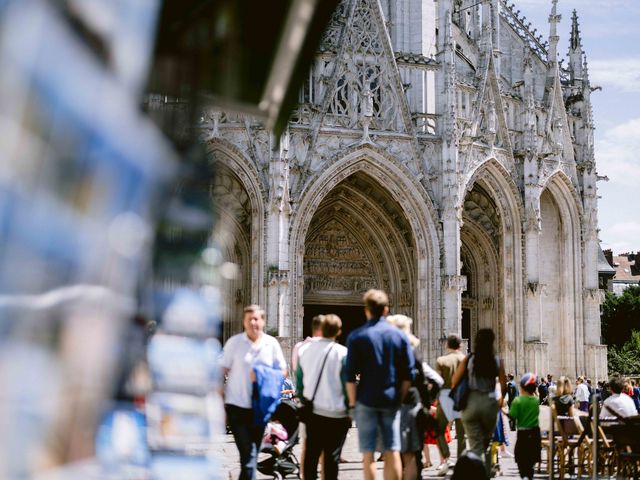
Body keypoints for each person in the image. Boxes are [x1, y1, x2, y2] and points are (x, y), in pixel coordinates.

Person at [345, 289, 415, 480]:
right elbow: (409, 374)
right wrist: (399, 398)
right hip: (391, 399)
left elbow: (349, 376)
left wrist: (352, 404)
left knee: (368, 454)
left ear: (366, 310)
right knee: (392, 450)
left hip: (366, 400)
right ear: (386, 310)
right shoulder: (399, 336)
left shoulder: (357, 336)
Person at [221, 305, 287, 480]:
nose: (252, 322)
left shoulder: (271, 344)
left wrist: (262, 375)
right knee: (249, 457)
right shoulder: (234, 343)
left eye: (256, 318)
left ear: (263, 321)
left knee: (249, 459)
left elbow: (283, 371)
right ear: (243, 321)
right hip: (237, 407)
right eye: (249, 319)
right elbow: (221, 371)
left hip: (260, 409)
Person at [296, 314, 350, 480]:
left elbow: (299, 382)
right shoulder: (343, 353)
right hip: (336, 414)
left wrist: (305, 401)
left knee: (311, 455)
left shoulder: (304, 350)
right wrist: (349, 407)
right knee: (331, 459)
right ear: (338, 332)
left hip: (313, 412)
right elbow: (347, 384)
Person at [452, 328, 506, 476]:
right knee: (486, 445)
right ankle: (486, 474)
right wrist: (500, 402)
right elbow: (503, 385)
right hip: (489, 404)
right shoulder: (496, 360)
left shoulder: (469, 358)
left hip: (471, 403)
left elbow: (454, 381)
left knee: (476, 446)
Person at [387, 314, 434, 480]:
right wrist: (427, 405)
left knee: (393, 454)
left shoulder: (386, 352)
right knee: (412, 454)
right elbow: (431, 380)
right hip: (411, 405)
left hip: (391, 407)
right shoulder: (413, 352)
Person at [291, 314, 325, 478]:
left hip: (307, 400)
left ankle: (305, 474)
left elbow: (296, 372)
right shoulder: (335, 348)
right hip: (326, 401)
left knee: (307, 441)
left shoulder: (299, 347)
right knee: (326, 443)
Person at [434, 335, 466, 476]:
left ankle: (446, 458)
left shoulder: (441, 360)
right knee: (461, 433)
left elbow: (437, 381)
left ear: (447, 345)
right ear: (460, 345)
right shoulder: (466, 360)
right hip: (462, 396)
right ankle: (461, 463)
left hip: (446, 396)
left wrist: (435, 399)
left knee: (439, 429)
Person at [506, 373, 541, 480]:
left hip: (523, 433)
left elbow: (512, 416)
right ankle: (529, 475)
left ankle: (524, 475)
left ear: (522, 387)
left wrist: (504, 411)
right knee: (531, 458)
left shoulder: (518, 401)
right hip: (535, 433)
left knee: (521, 456)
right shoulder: (536, 401)